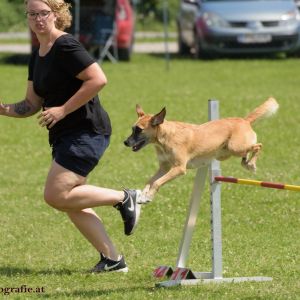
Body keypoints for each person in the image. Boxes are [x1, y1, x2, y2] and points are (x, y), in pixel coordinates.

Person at [0, 0, 141, 273]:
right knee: (72, 199)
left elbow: (98, 79)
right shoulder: (38, 53)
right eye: (32, 14)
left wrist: (62, 110)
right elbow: (31, 104)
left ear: (56, 14)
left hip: (87, 131)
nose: (38, 19)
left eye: (43, 13)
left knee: (56, 194)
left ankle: (124, 197)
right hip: (65, 135)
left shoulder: (66, 46)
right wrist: (3, 110)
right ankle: (113, 260)